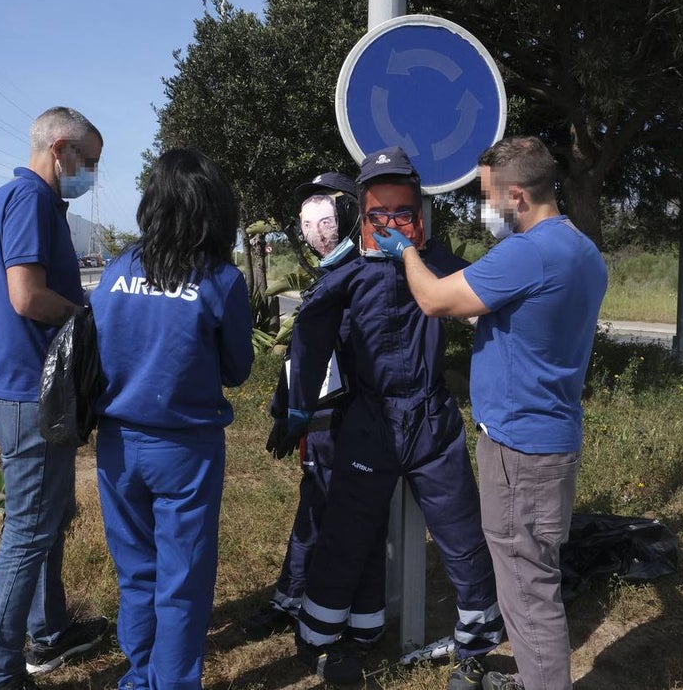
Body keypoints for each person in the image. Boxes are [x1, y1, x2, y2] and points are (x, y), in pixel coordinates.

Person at [375, 136, 608, 690]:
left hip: (518, 449)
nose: (488, 208)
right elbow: (525, 323)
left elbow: (433, 299)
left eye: (490, 197)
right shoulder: (581, 249)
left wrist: (405, 249)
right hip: (551, 436)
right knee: (532, 578)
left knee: (527, 591)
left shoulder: (527, 253)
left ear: (519, 196)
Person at [286, 147, 502, 689]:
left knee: (462, 533)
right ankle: (325, 642)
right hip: (369, 421)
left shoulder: (442, 265)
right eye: (378, 215)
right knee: (346, 533)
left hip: (431, 421)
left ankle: (476, 647)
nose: (391, 226)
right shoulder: (346, 274)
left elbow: (495, 305)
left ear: (421, 215)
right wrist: (294, 410)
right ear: (361, 215)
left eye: (402, 214)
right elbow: (309, 341)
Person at [91, 147, 254, 690]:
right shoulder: (221, 281)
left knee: (136, 574)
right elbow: (237, 369)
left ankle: (138, 678)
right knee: (181, 580)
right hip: (185, 450)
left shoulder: (114, 274)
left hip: (116, 446)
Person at [0, 106, 107, 690]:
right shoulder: (28, 200)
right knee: (28, 530)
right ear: (60, 149)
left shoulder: (19, 200)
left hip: (24, 386)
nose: (92, 173)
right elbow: (27, 296)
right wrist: (88, 318)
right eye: (90, 162)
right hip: (30, 392)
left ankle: (50, 633)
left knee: (48, 519)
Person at [243, 171, 389, 643]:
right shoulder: (330, 277)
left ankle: (345, 614)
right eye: (308, 223)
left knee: (352, 520)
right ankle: (296, 600)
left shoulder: (370, 275)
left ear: (349, 216)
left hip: (357, 425)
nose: (315, 231)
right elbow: (305, 355)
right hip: (323, 423)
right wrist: (287, 406)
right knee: (317, 509)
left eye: (324, 219)